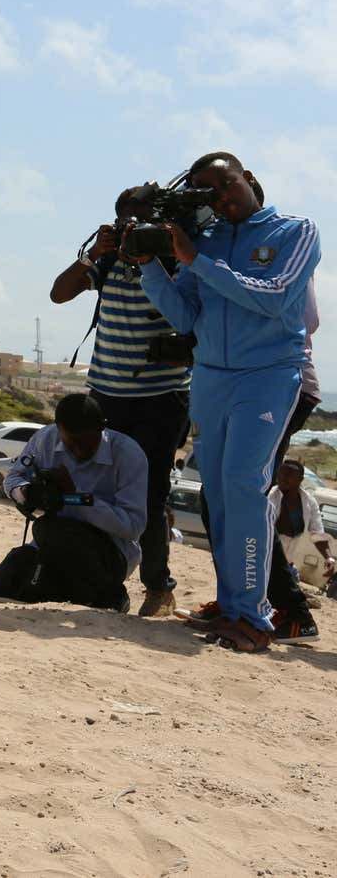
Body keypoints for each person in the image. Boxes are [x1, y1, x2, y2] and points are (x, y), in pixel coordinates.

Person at [135, 151, 320, 652]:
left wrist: (196, 259)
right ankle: (233, 607)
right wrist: (153, 265)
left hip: (267, 376)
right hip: (212, 377)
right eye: (206, 193)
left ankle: (256, 618)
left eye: (224, 185)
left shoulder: (295, 231)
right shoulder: (207, 240)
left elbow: (275, 297)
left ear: (249, 179)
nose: (219, 199)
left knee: (243, 485)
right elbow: (187, 317)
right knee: (216, 492)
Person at [49, 188, 192, 617]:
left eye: (143, 219)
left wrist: (163, 250)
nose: (135, 227)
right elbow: (59, 294)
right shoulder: (107, 261)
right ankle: (100, 577)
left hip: (160, 398)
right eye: (127, 220)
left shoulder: (173, 261)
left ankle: (157, 587)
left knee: (148, 495)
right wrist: (95, 253)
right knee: (93, 488)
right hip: (106, 395)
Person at [0, 394, 147, 612]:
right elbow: (13, 477)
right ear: (59, 429)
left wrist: (76, 498)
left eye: (87, 445)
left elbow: (133, 526)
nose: (79, 453)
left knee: (62, 550)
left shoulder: (129, 455)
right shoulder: (45, 439)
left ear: (102, 429)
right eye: (71, 445)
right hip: (48, 543)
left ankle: (113, 596)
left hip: (109, 552)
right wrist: (27, 492)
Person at [267, 460, 335, 595]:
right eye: (281, 473)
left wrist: (329, 558)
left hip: (287, 568)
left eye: (289, 475)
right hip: (263, 566)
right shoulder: (269, 496)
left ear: (300, 480)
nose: (283, 478)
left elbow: (317, 534)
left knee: (288, 608)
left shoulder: (309, 503)